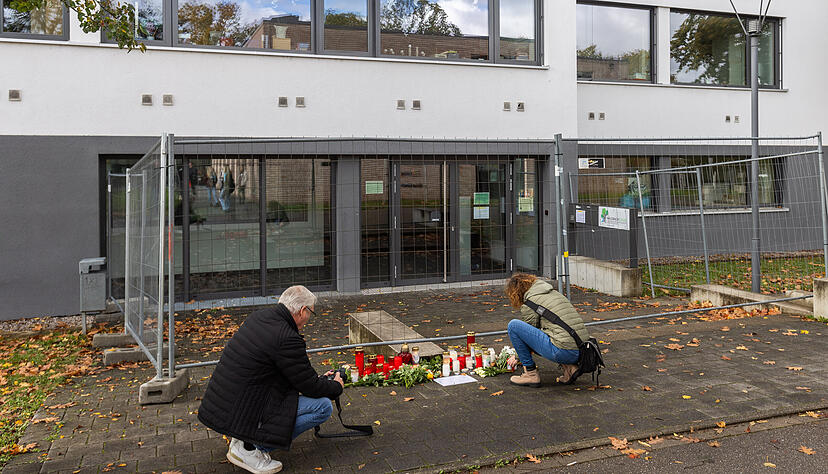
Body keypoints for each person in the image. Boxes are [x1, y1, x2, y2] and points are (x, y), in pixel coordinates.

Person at [198, 286, 343, 474]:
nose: (309, 319)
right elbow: (309, 386)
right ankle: (251, 449)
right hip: (245, 408)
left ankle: (241, 438)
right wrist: (336, 386)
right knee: (322, 407)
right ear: (302, 311)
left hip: (224, 407)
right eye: (311, 313)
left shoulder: (259, 317)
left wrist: (319, 380)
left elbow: (289, 372)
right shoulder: (287, 337)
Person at [504, 273, 590, 387]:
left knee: (514, 326)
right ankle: (570, 368)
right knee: (556, 333)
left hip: (564, 352)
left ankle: (530, 374)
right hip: (583, 351)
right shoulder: (553, 293)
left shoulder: (530, 302)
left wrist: (516, 356)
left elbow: (528, 337)